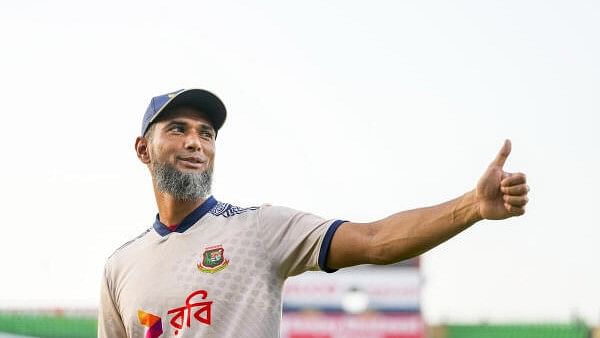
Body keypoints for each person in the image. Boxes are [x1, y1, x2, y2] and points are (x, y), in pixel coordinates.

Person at [98, 88, 529, 338]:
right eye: (178, 129)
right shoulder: (120, 267)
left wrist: (472, 206)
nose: (196, 142)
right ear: (143, 149)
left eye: (206, 134)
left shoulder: (258, 229)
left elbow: (376, 241)